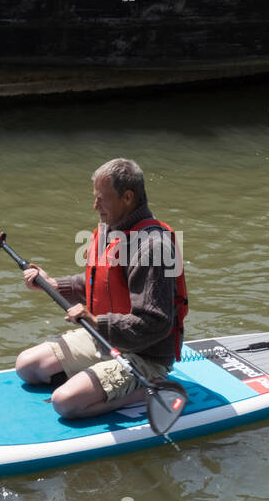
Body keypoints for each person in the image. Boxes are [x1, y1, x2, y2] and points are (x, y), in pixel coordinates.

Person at [14, 158, 188, 419]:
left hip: (145, 355)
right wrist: (52, 285)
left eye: (101, 198)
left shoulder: (152, 247)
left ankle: (143, 391)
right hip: (105, 337)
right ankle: (93, 382)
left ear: (127, 198)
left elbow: (156, 322)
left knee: (65, 403)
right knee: (27, 367)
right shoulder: (111, 230)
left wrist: (96, 322)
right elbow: (98, 284)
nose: (95, 205)